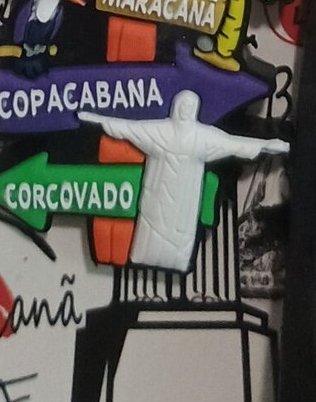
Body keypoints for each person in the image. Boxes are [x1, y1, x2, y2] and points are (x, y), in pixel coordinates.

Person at [79, 90, 289, 273]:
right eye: (183, 105)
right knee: (152, 232)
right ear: (176, 107)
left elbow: (235, 144)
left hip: (183, 203)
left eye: (190, 106)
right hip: (158, 196)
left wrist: (269, 145)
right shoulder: (161, 130)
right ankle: (144, 256)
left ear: (195, 110)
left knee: (178, 238)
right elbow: (129, 128)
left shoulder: (203, 136)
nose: (186, 110)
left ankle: (176, 262)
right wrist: (94, 119)